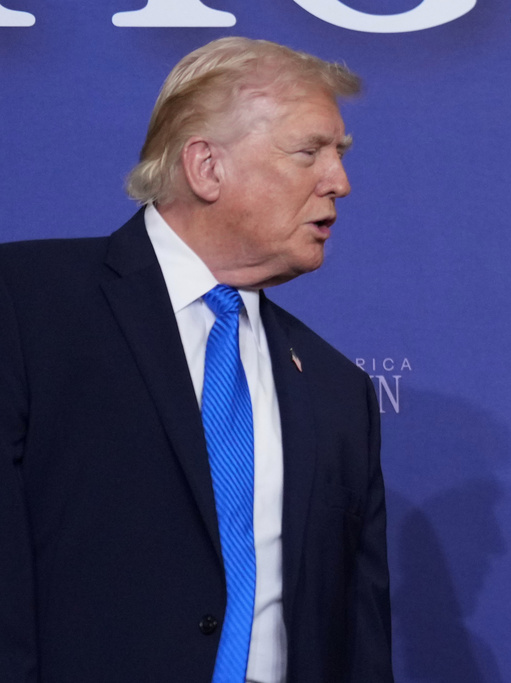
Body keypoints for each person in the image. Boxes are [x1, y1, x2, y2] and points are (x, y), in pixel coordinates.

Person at [0, 37, 392, 682]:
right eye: (310, 152)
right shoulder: (26, 307)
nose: (340, 182)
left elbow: (358, 638)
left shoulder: (336, 388)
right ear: (207, 166)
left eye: (340, 155)